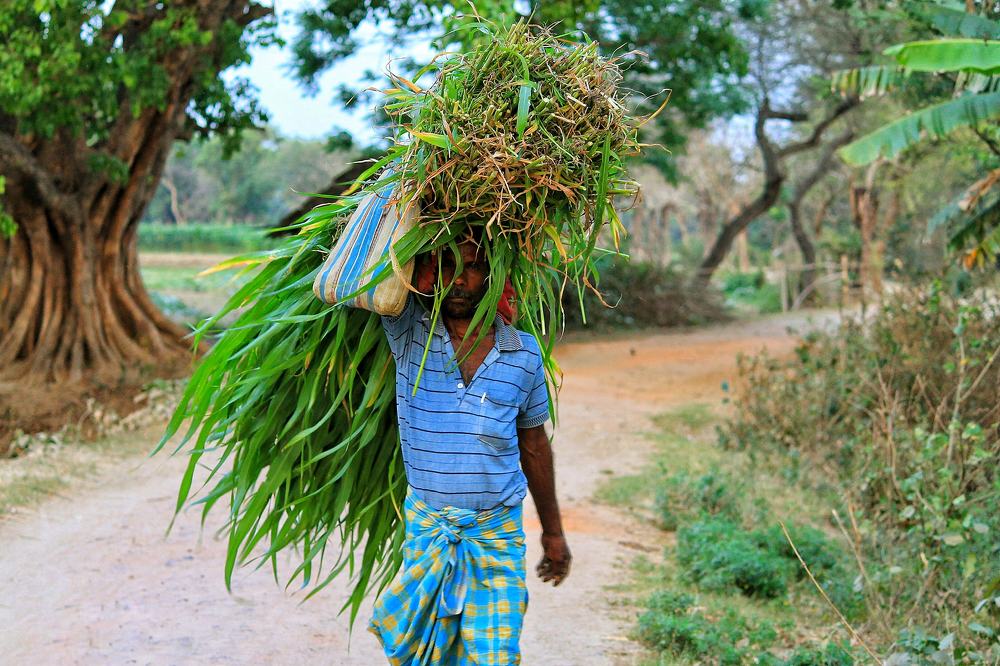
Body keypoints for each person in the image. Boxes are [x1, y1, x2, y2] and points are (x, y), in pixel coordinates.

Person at [366, 231, 572, 665]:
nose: (457, 279)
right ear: (425, 275)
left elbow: (534, 445)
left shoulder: (524, 354)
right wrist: (415, 199)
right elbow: (361, 274)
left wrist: (553, 533)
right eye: (444, 266)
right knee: (425, 657)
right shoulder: (408, 333)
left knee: (494, 656)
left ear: (494, 277)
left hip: (494, 536)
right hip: (429, 531)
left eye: (472, 266)